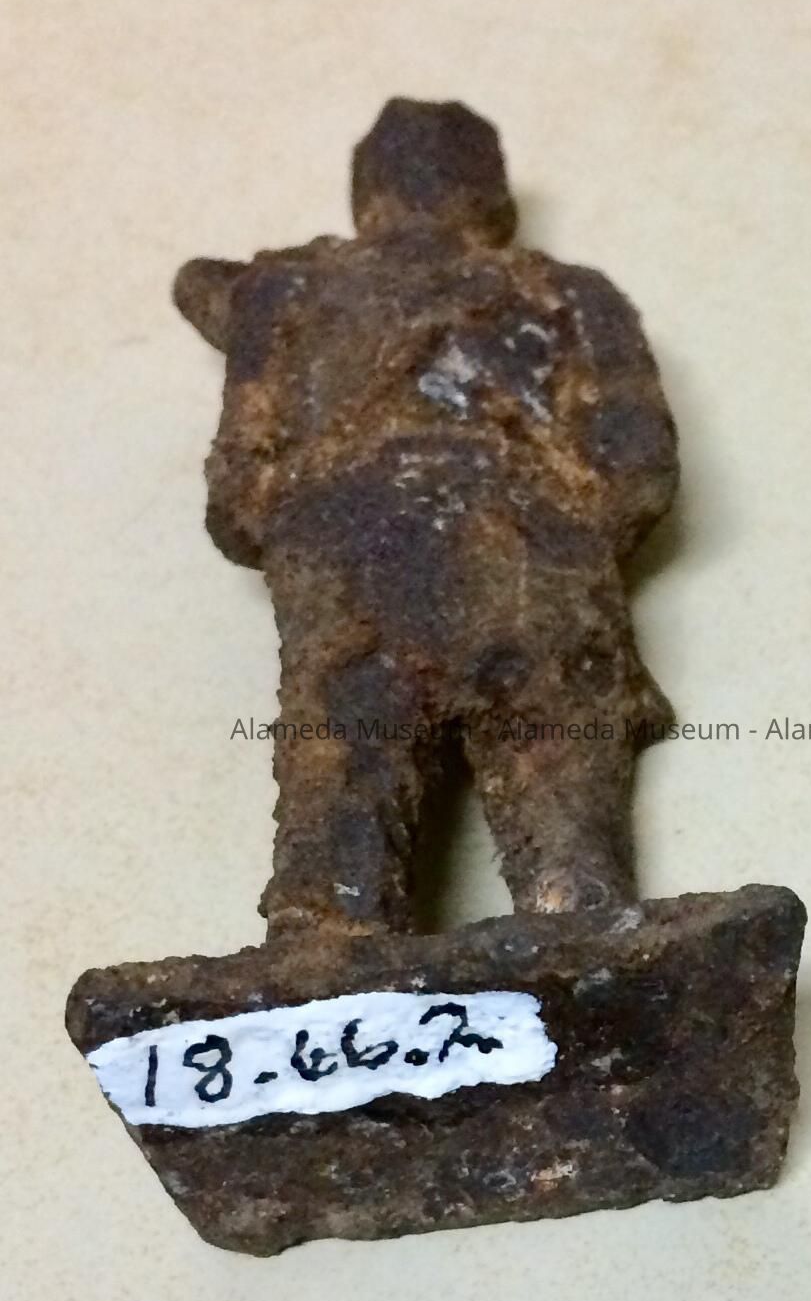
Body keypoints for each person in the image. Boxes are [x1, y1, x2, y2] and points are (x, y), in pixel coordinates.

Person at [174, 99, 678, 935]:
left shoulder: (285, 288)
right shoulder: (568, 292)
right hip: (528, 555)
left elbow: (238, 487)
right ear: (494, 196)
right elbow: (636, 465)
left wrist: (297, 521)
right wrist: (562, 530)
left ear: (366, 193)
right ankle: (581, 922)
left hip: (350, 552)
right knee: (550, 748)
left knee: (348, 749)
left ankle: (328, 937)